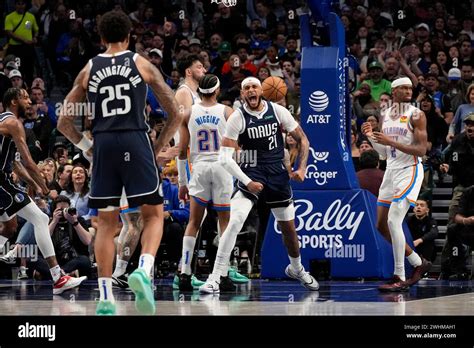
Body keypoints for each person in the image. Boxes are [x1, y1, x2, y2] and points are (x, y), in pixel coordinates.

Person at [57, 11, 181, 315]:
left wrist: (88, 147)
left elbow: (63, 122)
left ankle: (105, 298)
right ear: (129, 37)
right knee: (153, 216)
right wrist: (155, 146)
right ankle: (144, 268)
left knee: (107, 225)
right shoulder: (141, 64)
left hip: (104, 144)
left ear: (101, 39)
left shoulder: (88, 68)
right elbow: (176, 112)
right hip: (135, 138)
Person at [199, 77, 318, 293]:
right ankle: (215, 276)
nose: (251, 91)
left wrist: (302, 168)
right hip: (251, 170)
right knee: (235, 221)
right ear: (242, 94)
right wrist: (247, 181)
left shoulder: (278, 111)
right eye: (246, 88)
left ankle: (297, 268)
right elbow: (225, 158)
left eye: (254, 87)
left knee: (289, 231)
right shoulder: (237, 117)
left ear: (262, 90)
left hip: (277, 172)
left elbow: (303, 139)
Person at [0, 87, 86, 294]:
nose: (30, 101)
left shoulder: (4, 121)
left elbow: (17, 166)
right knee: (39, 218)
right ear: (13, 101)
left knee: (10, 227)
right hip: (0, 181)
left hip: (3, 179)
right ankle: (58, 278)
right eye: (25, 97)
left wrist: (38, 185)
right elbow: (29, 161)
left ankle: (57, 277)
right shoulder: (13, 123)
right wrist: (47, 190)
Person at [362, 77, 431, 292]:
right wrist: (371, 137)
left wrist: (391, 141)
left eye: (410, 88)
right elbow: (384, 153)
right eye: (403, 88)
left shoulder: (417, 115)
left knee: (393, 221)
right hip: (391, 171)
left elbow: (421, 151)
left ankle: (399, 275)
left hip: (409, 171)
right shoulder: (385, 115)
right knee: (381, 225)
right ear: (394, 91)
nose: (409, 91)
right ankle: (418, 263)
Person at [176, 74, 234, 291]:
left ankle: (185, 273)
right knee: (225, 223)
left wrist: (182, 181)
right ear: (217, 91)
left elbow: (182, 151)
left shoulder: (188, 112)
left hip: (199, 168)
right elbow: (237, 147)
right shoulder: (228, 112)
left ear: (199, 91)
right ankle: (223, 273)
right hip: (221, 167)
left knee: (193, 222)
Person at [174, 54, 206, 145]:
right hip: (187, 151)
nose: (204, 70)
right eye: (200, 67)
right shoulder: (184, 92)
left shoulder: (195, 94)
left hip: (195, 149)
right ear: (189, 72)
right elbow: (185, 126)